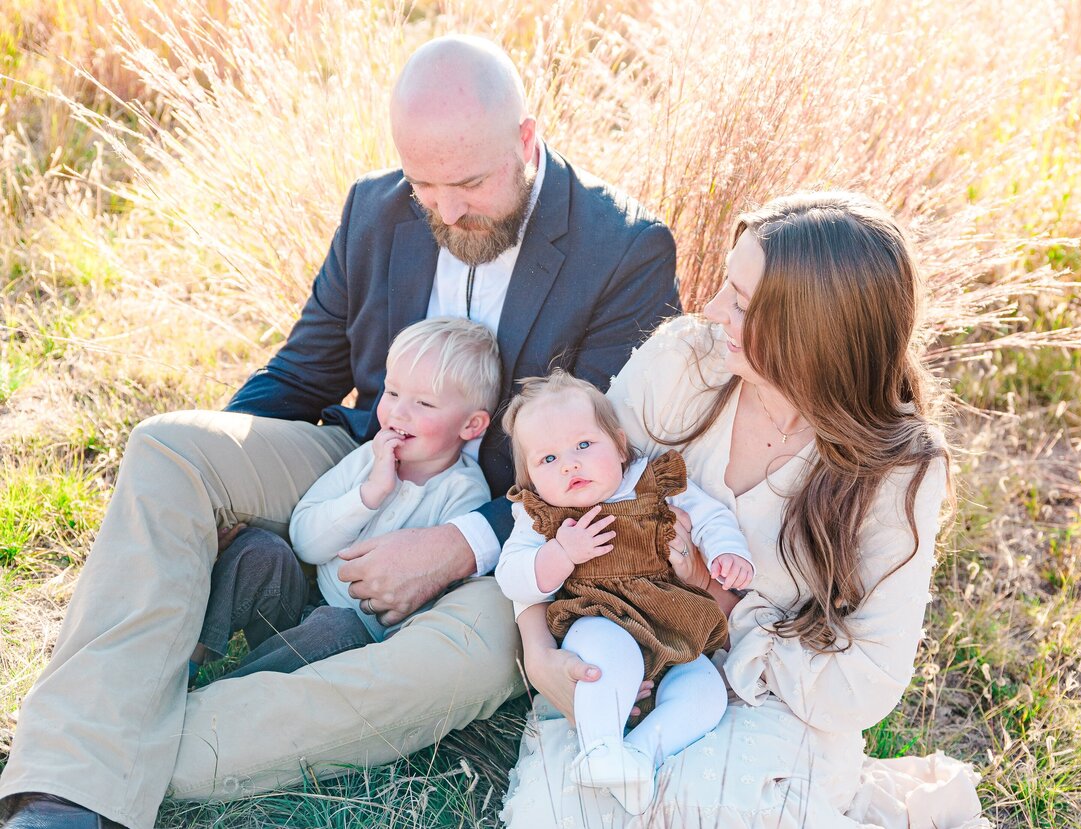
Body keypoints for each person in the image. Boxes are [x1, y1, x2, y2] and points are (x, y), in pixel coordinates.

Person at [0, 34, 678, 829]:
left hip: (522, 535)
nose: (446, 210)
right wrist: (226, 483)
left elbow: (596, 462)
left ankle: (85, 752)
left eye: (468, 182)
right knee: (170, 448)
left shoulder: (626, 250)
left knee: (459, 665)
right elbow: (299, 376)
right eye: (426, 185)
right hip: (366, 458)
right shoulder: (375, 208)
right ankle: (73, 777)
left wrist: (457, 543)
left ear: (527, 140)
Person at [501, 192, 990, 828]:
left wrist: (719, 604)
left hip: (774, 707)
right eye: (725, 287)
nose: (709, 311)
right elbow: (550, 502)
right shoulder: (686, 363)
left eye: (740, 302)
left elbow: (865, 679)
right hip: (630, 668)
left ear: (811, 332)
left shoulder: (897, 469)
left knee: (716, 810)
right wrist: (539, 653)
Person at [495, 371, 753, 814]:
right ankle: (599, 748)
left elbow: (711, 517)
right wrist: (559, 553)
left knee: (706, 690)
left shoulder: (654, 482)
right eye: (548, 459)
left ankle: (638, 756)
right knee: (603, 657)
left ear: (618, 444)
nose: (570, 465)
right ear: (531, 479)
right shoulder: (540, 516)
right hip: (600, 619)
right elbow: (511, 576)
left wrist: (727, 551)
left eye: (583, 446)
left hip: (672, 627)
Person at [190, 317, 500, 681]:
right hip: (302, 596)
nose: (398, 412)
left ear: (471, 426)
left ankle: (229, 692)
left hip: (355, 639)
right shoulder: (370, 456)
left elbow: (430, 600)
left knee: (335, 625)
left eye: (424, 404)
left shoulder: (464, 494)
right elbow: (304, 543)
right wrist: (369, 495)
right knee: (259, 551)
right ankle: (186, 659)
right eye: (393, 393)